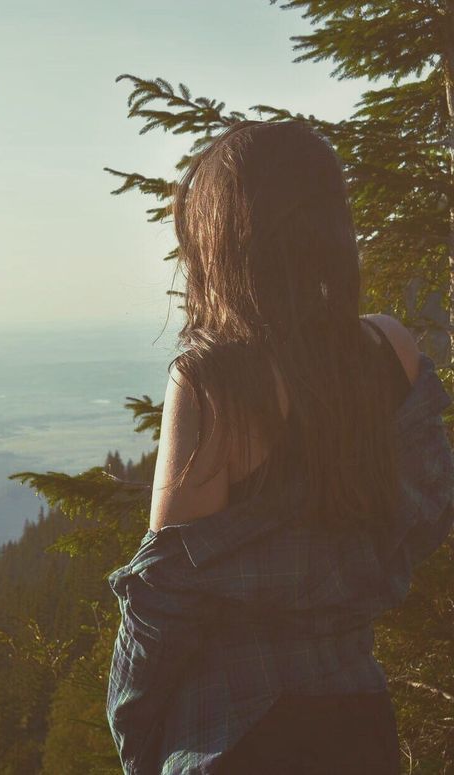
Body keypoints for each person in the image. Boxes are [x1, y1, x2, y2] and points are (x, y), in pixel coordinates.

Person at [104, 119, 454, 774]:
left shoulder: (216, 381)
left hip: (233, 735)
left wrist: (133, 734)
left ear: (223, 240)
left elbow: (163, 601)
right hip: (361, 722)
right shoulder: (391, 352)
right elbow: (428, 513)